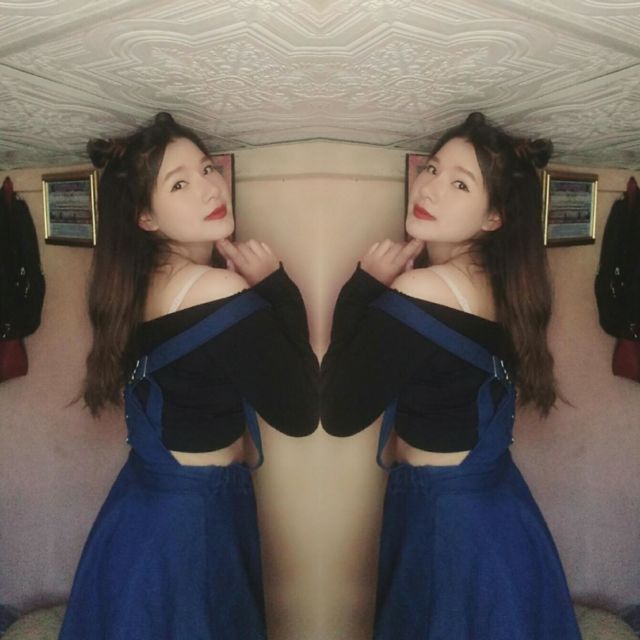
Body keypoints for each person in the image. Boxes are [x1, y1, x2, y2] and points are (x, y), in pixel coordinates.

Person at [321, 112, 582, 639]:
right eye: (433, 169)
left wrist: (363, 287)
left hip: (448, 523)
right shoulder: (508, 290)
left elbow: (339, 413)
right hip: (500, 509)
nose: (431, 188)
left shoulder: (424, 290)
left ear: (494, 218)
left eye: (460, 184)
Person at [59, 112, 318, 640]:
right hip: (190, 522)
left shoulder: (131, 288)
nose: (208, 188)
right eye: (179, 184)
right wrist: (276, 287)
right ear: (146, 218)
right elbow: (300, 412)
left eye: (206, 169)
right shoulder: (216, 290)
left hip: (139, 508)